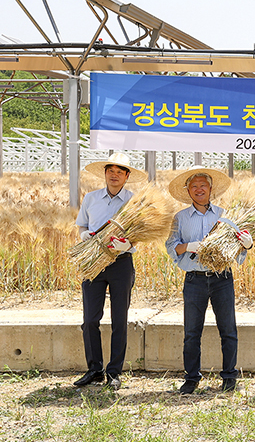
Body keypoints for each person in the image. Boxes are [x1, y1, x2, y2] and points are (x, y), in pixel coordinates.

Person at [165, 166, 253, 395]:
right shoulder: (180, 218)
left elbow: (238, 250)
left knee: (228, 329)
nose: (199, 189)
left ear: (211, 189)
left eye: (203, 185)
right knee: (192, 332)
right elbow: (171, 245)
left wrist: (246, 244)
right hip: (194, 279)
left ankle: (229, 377)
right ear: (188, 191)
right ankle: (191, 378)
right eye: (194, 186)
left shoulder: (226, 216)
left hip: (222, 279)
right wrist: (188, 246)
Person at [74, 152, 148, 390]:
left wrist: (128, 244)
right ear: (105, 174)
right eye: (111, 171)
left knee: (120, 320)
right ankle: (94, 369)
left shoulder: (134, 202)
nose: (114, 176)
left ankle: (114, 372)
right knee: (90, 320)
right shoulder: (91, 198)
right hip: (93, 262)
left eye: (120, 172)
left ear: (126, 177)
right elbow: (82, 225)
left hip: (121, 263)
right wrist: (86, 235)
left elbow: (141, 232)